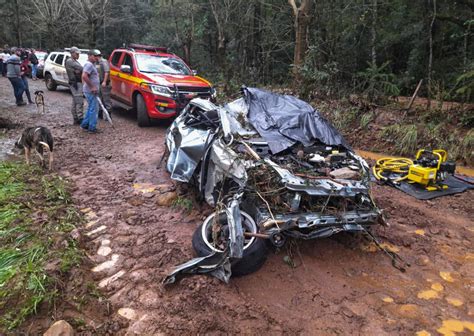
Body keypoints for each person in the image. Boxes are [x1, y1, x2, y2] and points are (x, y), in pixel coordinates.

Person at [80, 49, 101, 133]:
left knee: (90, 108)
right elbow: (84, 76)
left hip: (90, 90)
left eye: (98, 56)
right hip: (90, 91)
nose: (97, 58)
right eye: (95, 56)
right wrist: (92, 87)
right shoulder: (89, 65)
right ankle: (92, 128)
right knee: (94, 109)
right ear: (90, 56)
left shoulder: (92, 64)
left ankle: (84, 125)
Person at [65, 46, 84, 125]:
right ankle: (79, 118)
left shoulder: (74, 61)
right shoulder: (70, 61)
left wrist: (78, 71)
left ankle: (76, 118)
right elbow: (81, 68)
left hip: (76, 83)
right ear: (72, 53)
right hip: (75, 83)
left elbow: (79, 70)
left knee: (75, 101)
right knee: (79, 101)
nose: (78, 55)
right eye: (77, 54)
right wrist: (78, 71)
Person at [96, 53, 112, 119]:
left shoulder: (104, 62)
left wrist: (105, 81)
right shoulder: (98, 63)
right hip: (99, 83)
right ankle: (100, 114)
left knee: (106, 99)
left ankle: (108, 115)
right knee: (99, 99)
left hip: (105, 83)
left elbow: (107, 72)